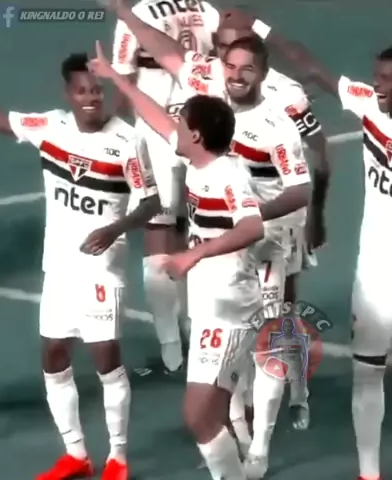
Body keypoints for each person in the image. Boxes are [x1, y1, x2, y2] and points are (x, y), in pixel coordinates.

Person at [106, 0, 328, 429]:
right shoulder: (207, 75)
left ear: (259, 62)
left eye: (238, 55)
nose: (227, 64)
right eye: (221, 52)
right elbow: (165, 50)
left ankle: (293, 390)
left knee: (278, 315)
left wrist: (315, 213)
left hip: (275, 225)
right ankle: (245, 421)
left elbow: (316, 158)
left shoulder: (287, 97)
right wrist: (126, 15)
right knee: (239, 324)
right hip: (226, 221)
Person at [256, 34, 392, 480]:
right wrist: (258, 27)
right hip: (371, 271)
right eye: (376, 77)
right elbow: (314, 67)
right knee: (366, 373)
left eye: (387, 79)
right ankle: (368, 473)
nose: (377, 85)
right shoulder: (368, 104)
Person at [83, 40, 265, 480]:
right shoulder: (199, 163)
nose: (174, 128)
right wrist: (115, 77)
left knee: (197, 414)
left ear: (197, 136)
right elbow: (155, 116)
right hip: (209, 309)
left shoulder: (227, 174)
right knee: (210, 415)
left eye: (182, 123)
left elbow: (252, 226)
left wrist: (193, 254)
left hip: (229, 312)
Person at [0, 53, 161, 480]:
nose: (91, 98)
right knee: (53, 355)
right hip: (59, 269)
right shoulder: (50, 127)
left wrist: (115, 228)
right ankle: (76, 454)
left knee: (106, 361)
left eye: (96, 90)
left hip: (102, 270)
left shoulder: (127, 141)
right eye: (82, 91)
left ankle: (118, 458)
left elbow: (151, 201)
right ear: (68, 94)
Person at [111, 0, 221, 376]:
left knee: (158, 229)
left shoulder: (138, 13)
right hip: (199, 130)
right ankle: (199, 331)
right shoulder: (207, 8)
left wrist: (116, 132)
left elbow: (123, 79)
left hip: (155, 131)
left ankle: (171, 350)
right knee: (196, 230)